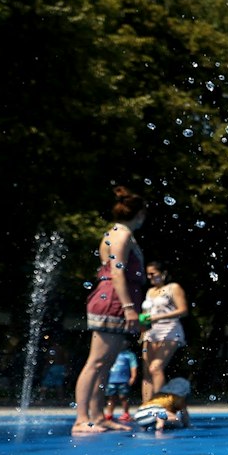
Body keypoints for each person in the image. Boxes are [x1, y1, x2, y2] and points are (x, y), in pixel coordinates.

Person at [77, 186, 147, 434]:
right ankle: (82, 419)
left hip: (116, 300)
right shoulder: (121, 235)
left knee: (106, 363)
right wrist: (129, 308)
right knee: (96, 362)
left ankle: (98, 416)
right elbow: (116, 271)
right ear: (140, 213)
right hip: (112, 301)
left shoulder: (119, 233)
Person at [139, 262, 189, 405]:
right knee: (147, 372)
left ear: (163, 273)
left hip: (170, 330)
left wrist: (157, 318)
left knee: (156, 367)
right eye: (148, 274)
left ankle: (161, 405)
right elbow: (146, 314)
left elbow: (183, 310)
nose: (150, 277)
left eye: (153, 273)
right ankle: (146, 406)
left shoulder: (173, 287)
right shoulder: (149, 292)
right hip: (150, 332)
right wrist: (143, 328)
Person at [105, 347, 139, 423]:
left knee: (123, 397)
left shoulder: (129, 355)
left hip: (123, 380)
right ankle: (109, 413)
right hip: (111, 380)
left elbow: (133, 366)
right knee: (111, 398)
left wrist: (133, 377)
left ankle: (126, 413)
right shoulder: (111, 352)